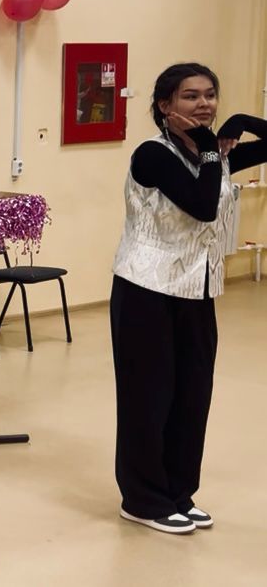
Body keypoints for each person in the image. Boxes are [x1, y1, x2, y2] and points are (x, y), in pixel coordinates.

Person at [110, 63, 267, 534]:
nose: (204, 104)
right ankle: (143, 499)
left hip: (197, 290)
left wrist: (241, 121)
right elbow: (201, 206)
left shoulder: (214, 153)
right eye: (190, 96)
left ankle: (178, 493)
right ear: (165, 106)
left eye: (210, 95)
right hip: (145, 290)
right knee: (149, 397)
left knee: (192, 395)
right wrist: (210, 147)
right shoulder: (152, 155)